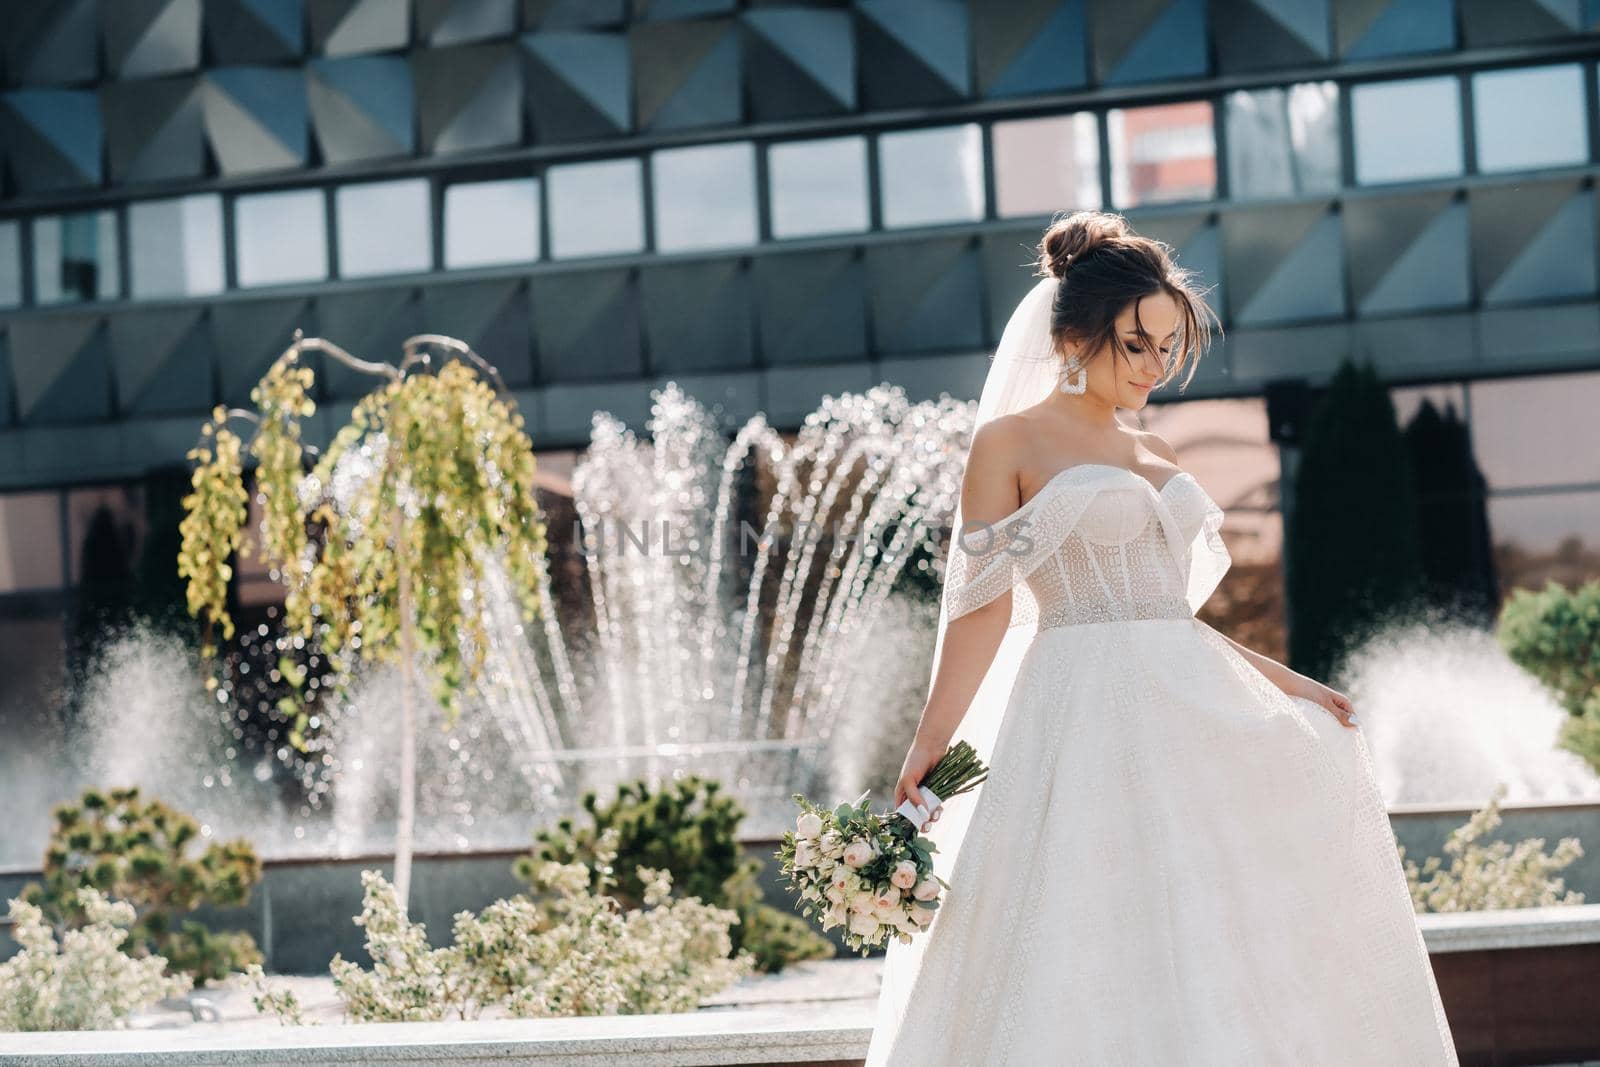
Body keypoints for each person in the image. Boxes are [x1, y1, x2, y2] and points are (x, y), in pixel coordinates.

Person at [863, 210, 1458, 1065]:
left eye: (1168, 346)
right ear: (1074, 332)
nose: (1155, 365)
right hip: (1076, 718)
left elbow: (1166, 621)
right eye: (1134, 343)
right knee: (1087, 926)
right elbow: (984, 606)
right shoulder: (1010, 441)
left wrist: (1295, 684)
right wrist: (928, 743)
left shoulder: (1152, 442)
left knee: (1218, 932)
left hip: (1187, 710)